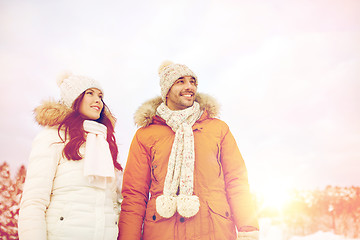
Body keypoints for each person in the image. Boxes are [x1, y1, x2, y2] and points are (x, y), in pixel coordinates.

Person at [118, 61, 259, 240]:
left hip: (214, 231)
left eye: (192, 81)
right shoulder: (145, 135)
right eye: (180, 82)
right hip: (163, 231)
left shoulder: (218, 129)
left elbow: (236, 180)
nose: (189, 87)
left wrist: (248, 228)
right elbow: (134, 194)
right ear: (167, 90)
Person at [18, 73, 122, 240]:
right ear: (74, 98)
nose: (98, 100)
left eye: (100, 96)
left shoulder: (103, 143)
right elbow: (33, 202)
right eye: (90, 93)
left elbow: (111, 203)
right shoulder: (53, 137)